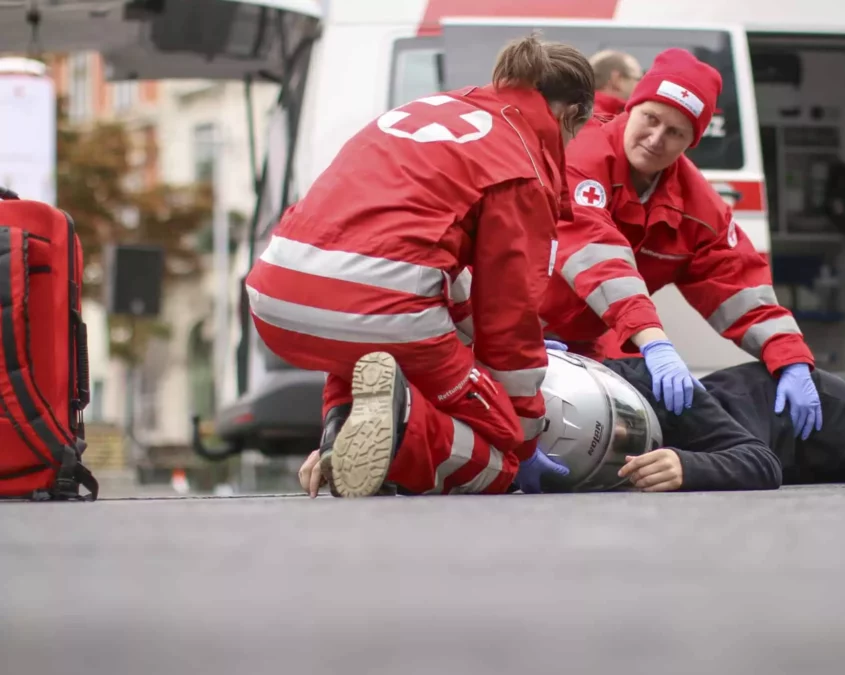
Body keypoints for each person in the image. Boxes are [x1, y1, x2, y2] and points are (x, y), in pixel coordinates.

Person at [245, 33, 595, 499]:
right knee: (502, 450)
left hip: (275, 289)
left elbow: (447, 286)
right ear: (570, 115)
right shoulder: (520, 164)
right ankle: (401, 437)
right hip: (384, 301)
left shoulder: (426, 110)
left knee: (372, 337)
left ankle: (340, 434)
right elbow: (509, 317)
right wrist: (525, 438)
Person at [540, 47, 823, 441]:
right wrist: (655, 343)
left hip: (582, 345)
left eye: (676, 132)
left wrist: (789, 358)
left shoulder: (697, 206)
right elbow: (597, 253)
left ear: (692, 142)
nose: (656, 139)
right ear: (630, 108)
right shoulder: (580, 154)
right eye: (650, 119)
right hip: (503, 328)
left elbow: (739, 284)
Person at [297, 345, 845, 496]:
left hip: (799, 414)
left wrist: (691, 465)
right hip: (781, 441)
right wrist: (337, 447)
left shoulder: (658, 385)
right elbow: (457, 451)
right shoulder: (527, 394)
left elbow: (757, 462)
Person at [589, 49, 643, 117]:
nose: (641, 84)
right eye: (638, 79)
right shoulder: (608, 119)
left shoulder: (579, 111)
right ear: (616, 79)